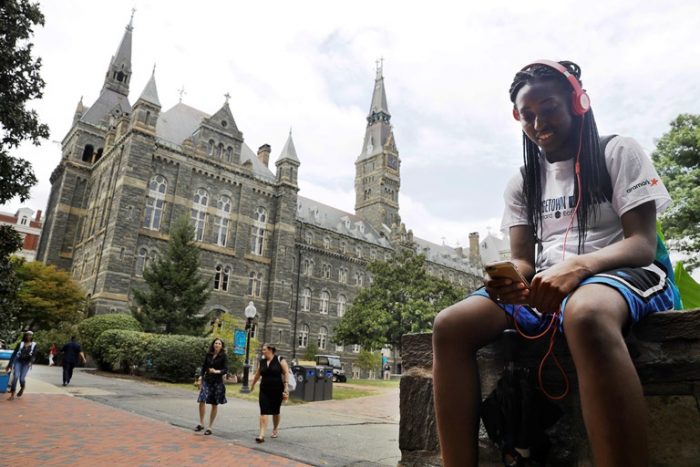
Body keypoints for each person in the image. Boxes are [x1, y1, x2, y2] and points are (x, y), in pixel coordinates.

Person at [432, 59, 680, 467]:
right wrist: (508, 280)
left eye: (547, 108)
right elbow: (523, 261)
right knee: (450, 325)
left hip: (622, 273)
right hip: (549, 283)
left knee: (586, 314)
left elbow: (642, 244)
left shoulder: (618, 152)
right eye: (526, 115)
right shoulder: (522, 181)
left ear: (579, 103)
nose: (537, 122)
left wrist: (579, 267)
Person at [250, 343, 290, 442]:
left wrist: (286, 386)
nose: (262, 351)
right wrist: (253, 385)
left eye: (264, 349)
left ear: (270, 350)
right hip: (264, 390)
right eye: (262, 350)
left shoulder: (280, 360)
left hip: (277, 390)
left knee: (275, 411)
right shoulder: (262, 362)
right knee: (263, 411)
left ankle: (275, 428)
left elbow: (286, 373)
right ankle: (261, 435)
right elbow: (257, 374)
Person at [194, 337, 228, 436]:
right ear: (213, 345)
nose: (217, 345)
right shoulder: (209, 355)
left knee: (214, 403)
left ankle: (210, 427)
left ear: (221, 346)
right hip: (207, 380)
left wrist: (216, 371)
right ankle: (201, 423)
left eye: (219, 344)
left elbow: (225, 369)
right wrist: (200, 377)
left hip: (217, 382)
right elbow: (204, 367)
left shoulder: (223, 356)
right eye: (216, 343)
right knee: (201, 400)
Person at [6, 330, 37, 400]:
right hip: (18, 361)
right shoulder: (20, 344)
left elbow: (34, 355)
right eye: (27, 335)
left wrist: (31, 362)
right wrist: (9, 364)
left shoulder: (34, 344)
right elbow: (14, 354)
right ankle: (12, 394)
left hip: (27, 363)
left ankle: (22, 387)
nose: (29, 336)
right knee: (15, 376)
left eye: (30, 335)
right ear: (25, 336)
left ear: (32, 337)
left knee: (22, 378)